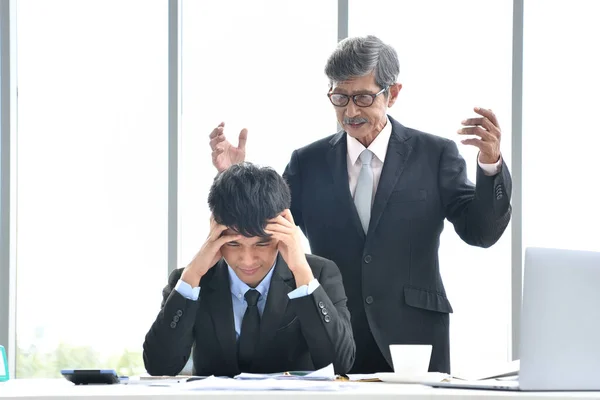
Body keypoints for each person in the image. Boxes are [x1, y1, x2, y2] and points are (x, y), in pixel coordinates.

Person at [208, 35, 511, 374]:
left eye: (363, 97)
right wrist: (233, 177)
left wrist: (490, 164)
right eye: (340, 98)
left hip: (414, 338)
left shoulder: (436, 155)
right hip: (333, 331)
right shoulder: (308, 162)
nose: (350, 111)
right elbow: (263, 226)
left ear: (392, 94)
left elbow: (482, 232)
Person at [143, 163, 355, 377]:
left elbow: (339, 365)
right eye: (233, 244)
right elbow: (159, 366)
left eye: (261, 244)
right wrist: (192, 276)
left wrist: (300, 271)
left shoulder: (318, 274)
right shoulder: (192, 281)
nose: (247, 260)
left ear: (284, 228)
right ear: (214, 231)